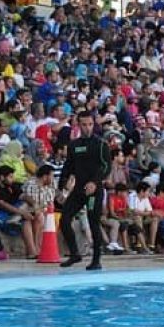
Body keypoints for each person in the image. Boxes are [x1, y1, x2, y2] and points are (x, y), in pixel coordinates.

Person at [58, 113, 111, 270]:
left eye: (89, 124)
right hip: (78, 189)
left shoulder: (101, 144)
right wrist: (61, 187)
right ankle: (75, 253)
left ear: (93, 124)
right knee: (64, 218)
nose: (87, 128)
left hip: (94, 190)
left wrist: (95, 182)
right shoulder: (74, 145)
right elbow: (68, 167)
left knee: (93, 222)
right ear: (78, 125)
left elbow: (106, 166)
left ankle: (96, 260)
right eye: (84, 124)